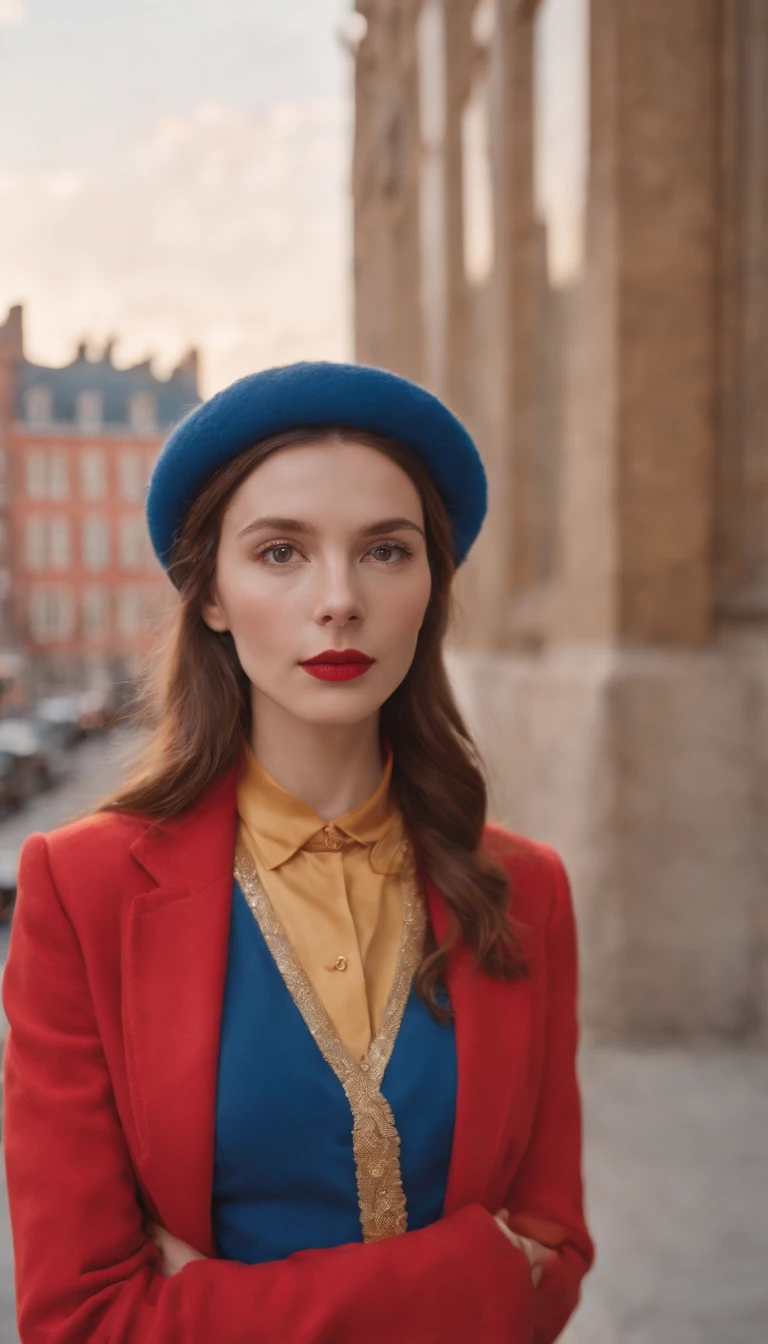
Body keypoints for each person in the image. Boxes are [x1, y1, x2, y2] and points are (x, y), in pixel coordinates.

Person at [2, 361, 595, 1343]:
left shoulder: (525, 890)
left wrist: (202, 1304)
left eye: (385, 552)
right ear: (213, 597)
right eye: (281, 552)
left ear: (430, 590)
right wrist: (471, 1276)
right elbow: (81, 1319)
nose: (338, 601)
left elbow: (554, 1258)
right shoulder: (84, 891)